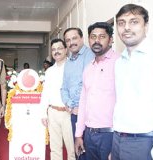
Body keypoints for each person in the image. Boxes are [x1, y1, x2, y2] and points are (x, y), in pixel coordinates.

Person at [111, 4, 153, 160]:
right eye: (121, 23)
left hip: (145, 141)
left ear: (146, 26)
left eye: (134, 22)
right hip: (119, 139)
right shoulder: (120, 62)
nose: (126, 27)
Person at [74, 22, 119, 160]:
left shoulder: (120, 63)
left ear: (110, 40)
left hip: (111, 135)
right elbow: (83, 102)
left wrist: (119, 143)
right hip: (89, 134)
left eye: (102, 37)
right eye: (93, 37)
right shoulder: (88, 68)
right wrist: (78, 134)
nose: (97, 41)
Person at [61, 27, 95, 160]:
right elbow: (63, 88)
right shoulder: (69, 62)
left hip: (88, 114)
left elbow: (87, 85)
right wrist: (70, 104)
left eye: (74, 38)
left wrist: (78, 106)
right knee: (79, 151)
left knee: (89, 153)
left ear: (82, 38)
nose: (71, 42)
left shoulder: (90, 56)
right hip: (74, 114)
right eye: (68, 40)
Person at [40, 38, 75, 160]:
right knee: (54, 149)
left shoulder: (73, 67)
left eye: (59, 48)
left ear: (66, 49)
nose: (56, 51)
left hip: (69, 113)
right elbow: (45, 93)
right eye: (54, 49)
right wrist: (43, 113)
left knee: (72, 149)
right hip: (53, 113)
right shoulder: (49, 71)